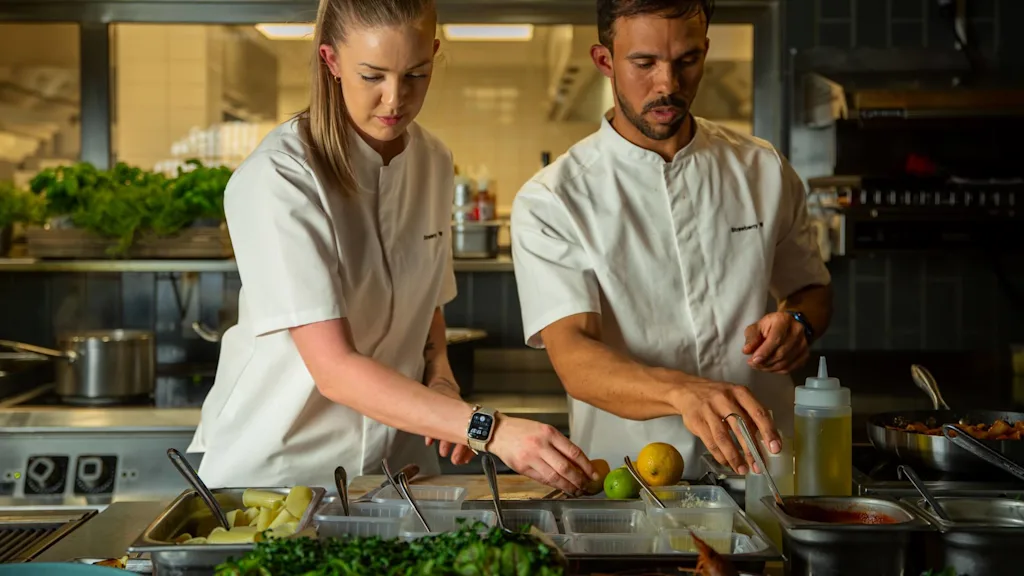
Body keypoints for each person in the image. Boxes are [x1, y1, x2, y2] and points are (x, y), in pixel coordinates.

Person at [187, 0, 597, 495]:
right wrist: (486, 428)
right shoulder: (281, 176)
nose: (395, 99)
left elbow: (427, 302)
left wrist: (440, 378)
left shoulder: (433, 161)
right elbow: (335, 370)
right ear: (331, 61)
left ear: (434, 56)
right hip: (281, 470)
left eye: (416, 75)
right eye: (372, 76)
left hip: (395, 471)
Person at [510, 0, 833, 477]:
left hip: (765, 468)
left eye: (687, 61)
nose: (668, 85)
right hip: (634, 476)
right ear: (604, 61)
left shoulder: (762, 168)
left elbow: (811, 288)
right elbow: (575, 356)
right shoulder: (554, 198)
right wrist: (684, 394)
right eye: (644, 63)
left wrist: (799, 324)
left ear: (705, 51)